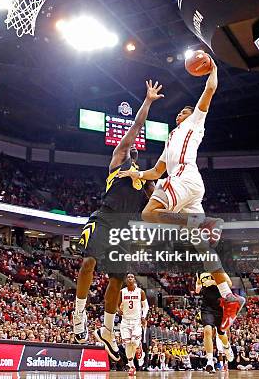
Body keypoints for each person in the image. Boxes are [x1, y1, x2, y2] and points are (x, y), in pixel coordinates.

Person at [117, 59, 245, 331]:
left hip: (185, 177)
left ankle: (202, 224)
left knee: (148, 214)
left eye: (184, 111)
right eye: (179, 112)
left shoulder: (196, 122)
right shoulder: (170, 138)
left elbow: (209, 91)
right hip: (186, 183)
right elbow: (155, 171)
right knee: (202, 246)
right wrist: (135, 175)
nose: (180, 113)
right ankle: (228, 295)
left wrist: (213, 70)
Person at [72, 80, 163, 361]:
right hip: (105, 218)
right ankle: (78, 313)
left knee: (116, 281)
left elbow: (156, 209)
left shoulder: (146, 185)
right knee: (88, 262)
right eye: (131, 151)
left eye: (137, 154)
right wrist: (147, 101)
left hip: (124, 232)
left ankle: (108, 331)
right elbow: (135, 127)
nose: (133, 152)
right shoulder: (118, 161)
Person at [195, 272, 233, 373]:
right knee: (207, 330)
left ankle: (227, 346)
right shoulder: (199, 272)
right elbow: (197, 286)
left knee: (221, 334)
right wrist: (199, 287)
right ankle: (210, 361)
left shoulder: (219, 270)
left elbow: (229, 284)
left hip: (220, 306)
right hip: (206, 307)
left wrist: (212, 282)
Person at [118, 274, 148, 375]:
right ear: (126, 280)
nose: (130, 278)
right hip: (125, 321)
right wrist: (118, 310)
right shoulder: (122, 292)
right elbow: (116, 306)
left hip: (136, 321)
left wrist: (143, 316)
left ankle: (139, 348)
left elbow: (146, 306)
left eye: (131, 277)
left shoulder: (140, 291)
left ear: (134, 280)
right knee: (127, 344)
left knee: (134, 342)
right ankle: (131, 366)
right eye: (128, 277)